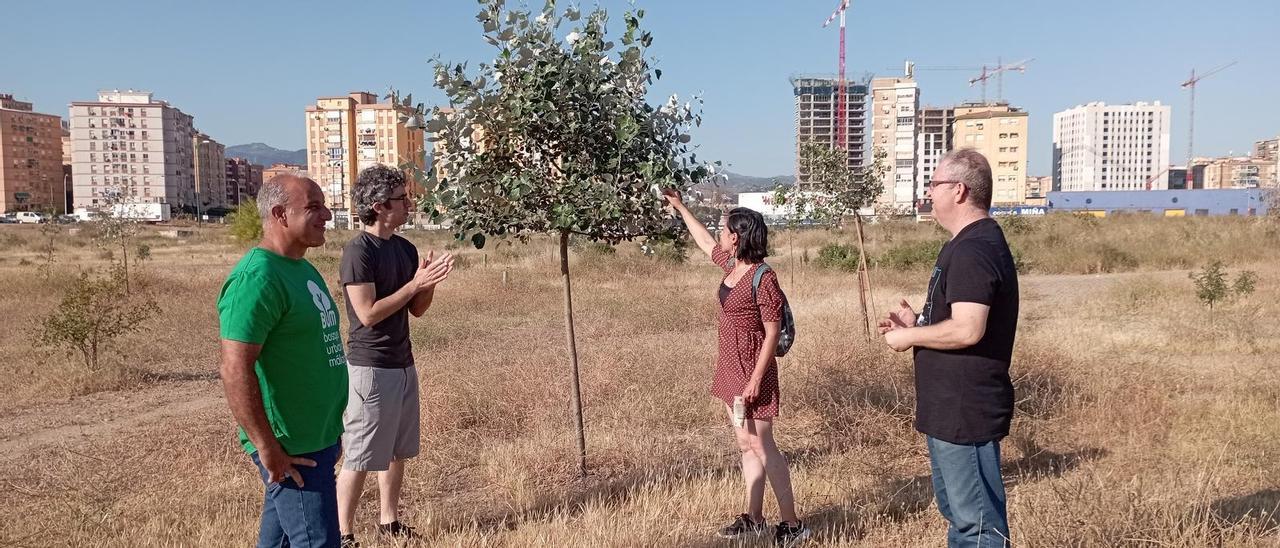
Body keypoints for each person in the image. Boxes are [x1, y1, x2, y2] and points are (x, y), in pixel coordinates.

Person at [879, 148, 1020, 548]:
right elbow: (958, 322)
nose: (929, 191)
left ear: (958, 190)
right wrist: (919, 324)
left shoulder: (975, 248)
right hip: (949, 408)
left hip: (965, 410)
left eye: (934, 184)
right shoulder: (964, 244)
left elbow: (968, 329)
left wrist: (907, 338)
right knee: (961, 518)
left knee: (977, 527)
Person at [664, 190, 811, 547]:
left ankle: (792, 524)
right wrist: (681, 207)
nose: (718, 232)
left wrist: (756, 380)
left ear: (737, 236)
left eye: (724, 228)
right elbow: (702, 242)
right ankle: (755, 517)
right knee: (746, 445)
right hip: (729, 368)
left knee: (764, 446)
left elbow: (773, 331)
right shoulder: (733, 266)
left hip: (752, 371)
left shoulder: (764, 276)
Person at [218, 174, 348, 548]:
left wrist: (331, 429)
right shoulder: (257, 278)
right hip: (292, 446)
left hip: (316, 435)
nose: (326, 214)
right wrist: (267, 446)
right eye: (313, 207)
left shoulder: (302, 269)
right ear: (279, 214)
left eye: (324, 205)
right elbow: (234, 368)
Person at [335, 165, 453, 547]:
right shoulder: (358, 251)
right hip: (371, 369)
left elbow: (416, 309)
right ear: (379, 205)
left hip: (403, 365)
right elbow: (367, 314)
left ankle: (390, 522)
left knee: (397, 451)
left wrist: (428, 282)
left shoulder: (404, 248)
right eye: (402, 198)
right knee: (359, 454)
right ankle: (343, 533)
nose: (409, 204)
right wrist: (415, 283)